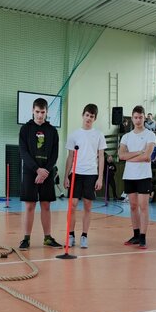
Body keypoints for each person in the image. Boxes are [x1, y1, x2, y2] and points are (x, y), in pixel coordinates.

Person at [18, 97, 62, 250]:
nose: (40, 115)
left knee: (46, 205)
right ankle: (26, 239)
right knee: (30, 206)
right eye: (37, 112)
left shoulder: (52, 131)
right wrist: (37, 170)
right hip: (30, 172)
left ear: (47, 112)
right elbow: (23, 152)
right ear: (32, 110)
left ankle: (47, 238)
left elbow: (54, 155)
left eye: (42, 112)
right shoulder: (25, 129)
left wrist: (45, 172)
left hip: (47, 172)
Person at [64, 103, 106, 249]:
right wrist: (66, 176)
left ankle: (84, 236)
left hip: (91, 174)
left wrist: (100, 177)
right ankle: (70, 235)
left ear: (95, 118)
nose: (89, 118)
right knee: (73, 205)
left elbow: (101, 157)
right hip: (76, 173)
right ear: (83, 115)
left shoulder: (99, 135)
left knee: (88, 205)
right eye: (87, 115)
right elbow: (70, 157)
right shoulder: (74, 135)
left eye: (92, 116)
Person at [119, 105, 156, 249]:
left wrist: (130, 157)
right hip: (129, 175)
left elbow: (147, 156)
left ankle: (143, 237)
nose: (138, 120)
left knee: (143, 206)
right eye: (136, 117)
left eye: (140, 117)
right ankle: (135, 235)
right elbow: (121, 155)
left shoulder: (150, 135)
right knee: (133, 206)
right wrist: (139, 153)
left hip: (144, 176)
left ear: (144, 118)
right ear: (132, 118)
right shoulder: (126, 136)